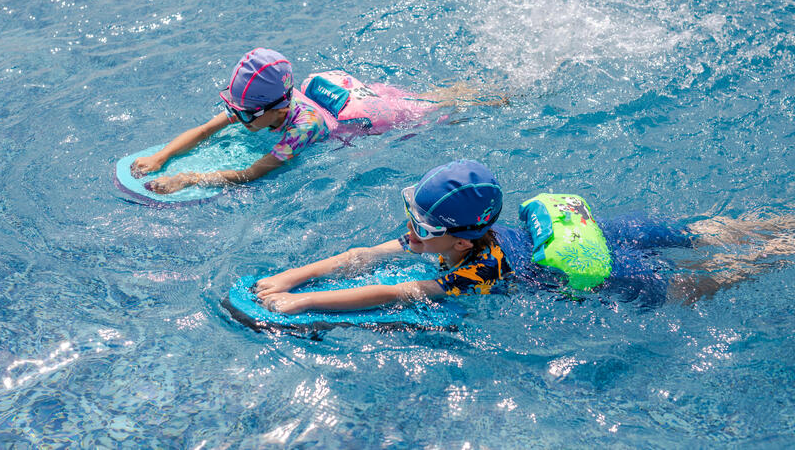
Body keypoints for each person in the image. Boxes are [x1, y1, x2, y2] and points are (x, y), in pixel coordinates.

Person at [254, 160, 795, 314]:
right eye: (410, 216)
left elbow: (396, 293)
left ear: (461, 243)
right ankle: (779, 224)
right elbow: (361, 257)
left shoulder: (476, 271)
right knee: (703, 233)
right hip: (592, 229)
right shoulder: (445, 238)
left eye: (420, 226)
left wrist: (301, 304)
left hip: (609, 271)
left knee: (706, 280)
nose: (409, 233)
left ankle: (781, 245)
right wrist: (290, 276)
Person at [131, 48, 502, 194]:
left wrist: (189, 178)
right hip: (347, 96)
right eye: (235, 109)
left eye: (244, 114)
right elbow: (206, 129)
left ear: (276, 111)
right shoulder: (262, 106)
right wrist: (162, 157)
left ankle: (506, 95)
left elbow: (254, 172)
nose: (236, 118)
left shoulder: (302, 128)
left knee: (444, 107)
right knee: (440, 94)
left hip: (384, 117)